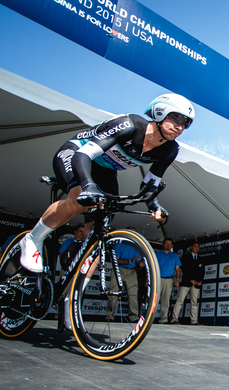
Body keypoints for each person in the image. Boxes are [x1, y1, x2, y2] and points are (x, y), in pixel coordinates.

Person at [17, 93, 195, 273]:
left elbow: (150, 183)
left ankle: (73, 292)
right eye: (175, 117)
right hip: (77, 153)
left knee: (102, 226)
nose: (179, 126)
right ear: (159, 112)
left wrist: (153, 204)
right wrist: (88, 185)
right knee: (79, 199)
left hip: (106, 169)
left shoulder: (170, 150)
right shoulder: (129, 125)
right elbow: (83, 155)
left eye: (185, 123)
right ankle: (33, 238)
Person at [106, 227, 141, 323]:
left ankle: (133, 317)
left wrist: (140, 264)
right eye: (131, 233)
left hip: (131, 271)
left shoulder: (136, 246)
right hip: (118, 270)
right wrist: (129, 261)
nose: (133, 235)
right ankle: (110, 315)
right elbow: (115, 260)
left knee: (133, 294)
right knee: (113, 292)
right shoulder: (119, 244)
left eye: (134, 233)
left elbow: (137, 260)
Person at [172, 241, 205, 324]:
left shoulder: (200, 259)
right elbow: (185, 270)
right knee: (180, 300)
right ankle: (174, 319)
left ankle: (194, 321)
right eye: (195, 246)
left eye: (198, 246)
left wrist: (200, 281)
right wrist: (190, 279)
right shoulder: (185, 257)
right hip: (186, 282)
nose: (197, 248)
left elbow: (202, 271)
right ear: (191, 247)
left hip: (196, 284)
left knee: (194, 302)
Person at [155, 238, 182, 324]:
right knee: (154, 299)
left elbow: (178, 269)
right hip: (157, 279)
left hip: (169, 280)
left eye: (170, 244)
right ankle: (150, 318)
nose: (168, 245)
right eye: (166, 244)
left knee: (165, 300)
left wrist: (177, 280)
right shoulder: (157, 254)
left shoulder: (174, 255)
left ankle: (163, 319)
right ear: (163, 244)